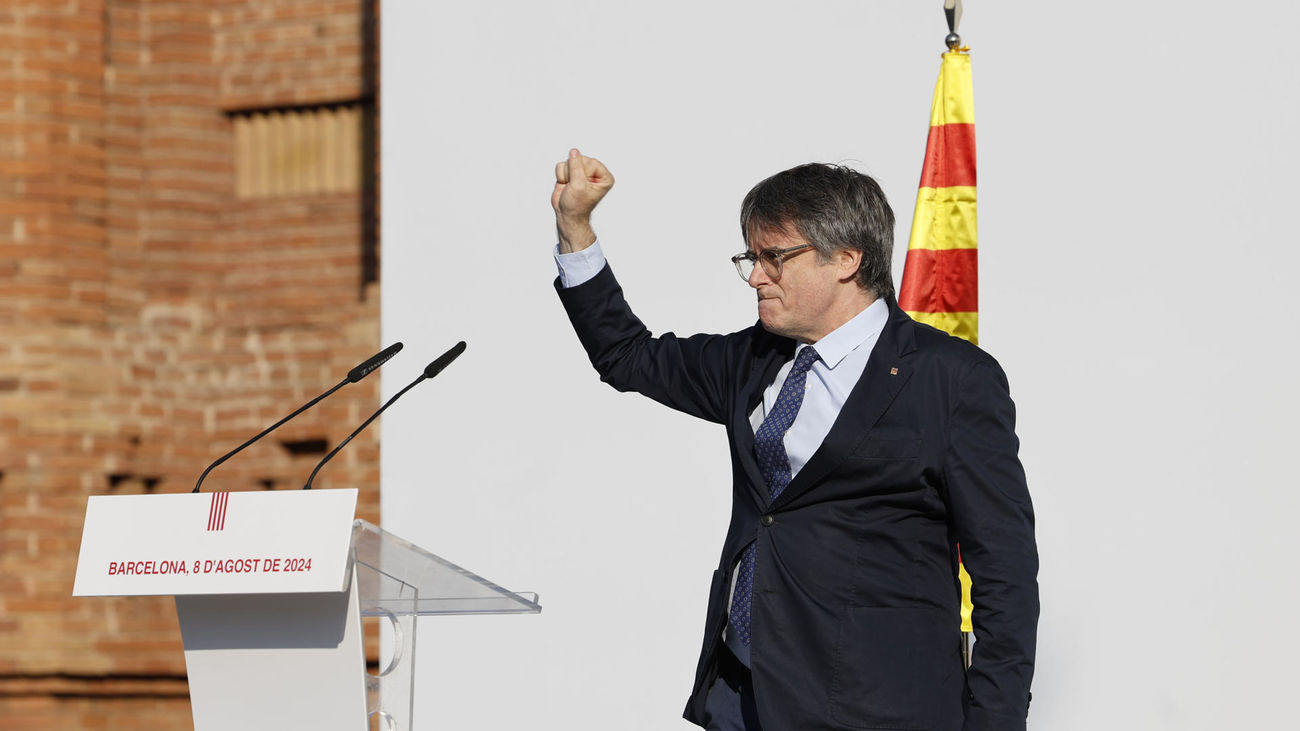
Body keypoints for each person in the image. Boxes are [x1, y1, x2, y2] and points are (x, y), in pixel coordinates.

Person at [550, 148, 1038, 731]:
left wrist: (994, 721)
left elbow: (1004, 573)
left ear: (848, 258)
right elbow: (627, 356)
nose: (757, 276)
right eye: (751, 258)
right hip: (742, 694)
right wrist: (575, 227)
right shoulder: (753, 358)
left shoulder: (950, 379)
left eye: (775, 258)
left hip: (876, 709)